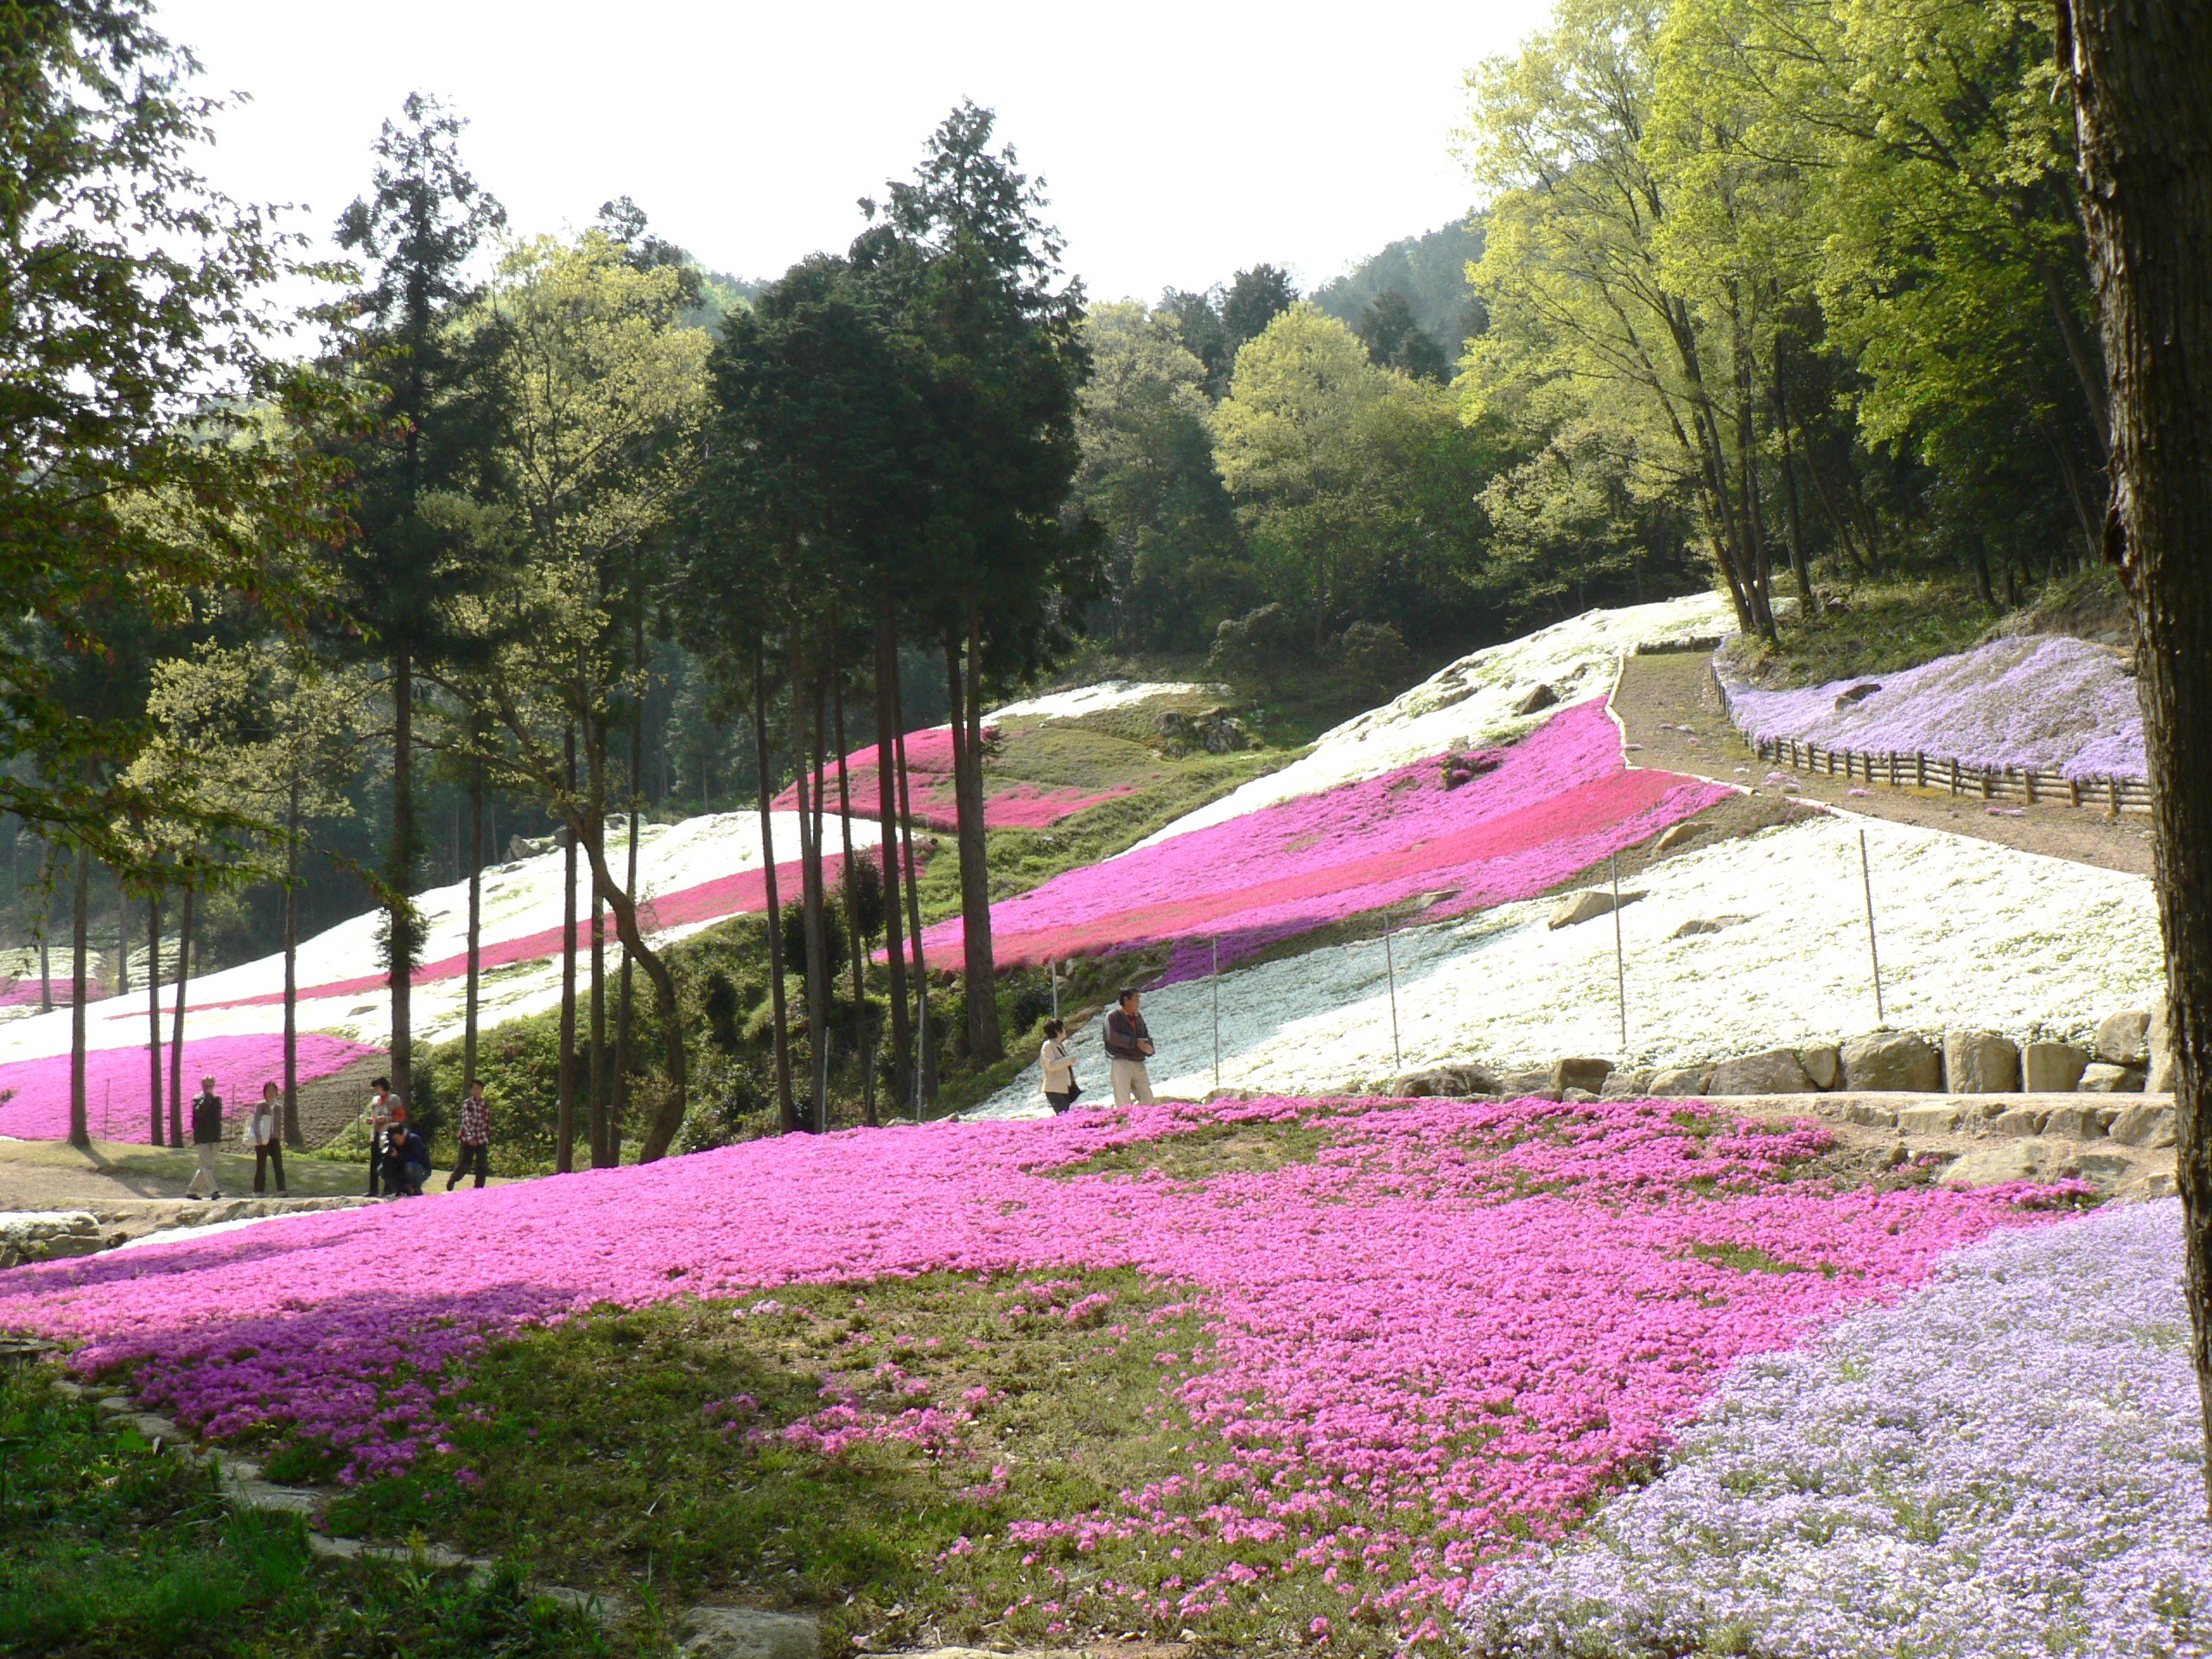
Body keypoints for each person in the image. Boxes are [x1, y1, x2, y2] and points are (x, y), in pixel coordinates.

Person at [1103, 987, 1156, 1106]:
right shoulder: (1113, 1017)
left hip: (1138, 1062)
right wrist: (1135, 1043)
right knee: (1123, 1099)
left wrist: (1149, 1048)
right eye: (1136, 998)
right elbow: (1113, 1037)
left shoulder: (1138, 1017)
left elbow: (1145, 1035)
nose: (1139, 1002)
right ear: (1126, 1000)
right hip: (1121, 1062)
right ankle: (1128, 1121)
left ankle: (1139, 1117)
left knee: (1148, 1098)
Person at [362, 1076, 406, 1197]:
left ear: (382, 1086)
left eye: (377, 1086)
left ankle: (389, 1189)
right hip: (376, 1133)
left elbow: (401, 1116)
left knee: (387, 1161)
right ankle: (373, 1189)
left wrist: (386, 1119)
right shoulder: (376, 1100)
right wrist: (372, 1120)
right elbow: (375, 1116)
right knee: (374, 1162)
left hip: (388, 1133)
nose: (375, 1089)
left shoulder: (394, 1099)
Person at [447, 1077, 491, 1190]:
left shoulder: (485, 1105)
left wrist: (484, 1137)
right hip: (468, 1138)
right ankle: (453, 1179)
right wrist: (470, 1137)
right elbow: (466, 1121)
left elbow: (486, 1122)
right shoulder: (468, 1103)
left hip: (481, 1138)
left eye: (479, 1088)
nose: (477, 1091)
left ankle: (479, 1188)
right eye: (474, 1088)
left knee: (483, 1165)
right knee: (464, 1165)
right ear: (471, 1090)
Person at [185, 1075, 225, 1200]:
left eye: (211, 1084)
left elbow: (217, 1119)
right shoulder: (197, 1099)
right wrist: (207, 1097)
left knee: (205, 1166)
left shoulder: (217, 1099)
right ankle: (214, 1191)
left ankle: (192, 1191)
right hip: (202, 1136)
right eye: (206, 1085)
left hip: (214, 1137)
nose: (209, 1087)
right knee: (207, 1167)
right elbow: (200, 1112)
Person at [247, 1080, 286, 1196]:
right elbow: (256, 1120)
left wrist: (278, 1135)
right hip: (262, 1139)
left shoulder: (278, 1107)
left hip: (274, 1139)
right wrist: (258, 1135)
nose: (271, 1093)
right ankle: (258, 1190)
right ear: (265, 1092)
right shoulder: (261, 1105)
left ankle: (282, 1189)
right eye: (269, 1091)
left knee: (278, 1165)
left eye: (273, 1091)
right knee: (261, 1165)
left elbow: (279, 1123)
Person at [1039, 1019, 1080, 1114]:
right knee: (1063, 1115)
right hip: (1054, 1088)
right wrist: (1069, 1060)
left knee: (1066, 1114)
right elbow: (1051, 1065)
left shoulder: (1059, 1045)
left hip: (1063, 1087)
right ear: (1057, 1031)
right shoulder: (1048, 1046)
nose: (1065, 1030)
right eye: (1063, 1028)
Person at [384, 1121, 430, 1197]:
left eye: (397, 1138)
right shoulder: (392, 1144)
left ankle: (416, 1189)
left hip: (421, 1170)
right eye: (393, 1138)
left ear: (403, 1134)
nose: (396, 1141)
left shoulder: (414, 1140)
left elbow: (417, 1158)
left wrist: (398, 1155)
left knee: (410, 1166)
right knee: (382, 1169)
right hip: (403, 1170)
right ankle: (402, 1189)